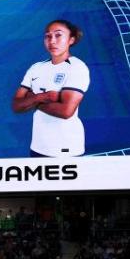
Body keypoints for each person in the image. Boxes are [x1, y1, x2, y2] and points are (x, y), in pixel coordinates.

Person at [12, 20, 90, 157]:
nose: (52, 41)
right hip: (38, 146)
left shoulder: (77, 67)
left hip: (66, 149)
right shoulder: (36, 68)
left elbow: (66, 111)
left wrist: (31, 100)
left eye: (58, 35)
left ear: (71, 40)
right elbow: (16, 106)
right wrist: (42, 97)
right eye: (48, 36)